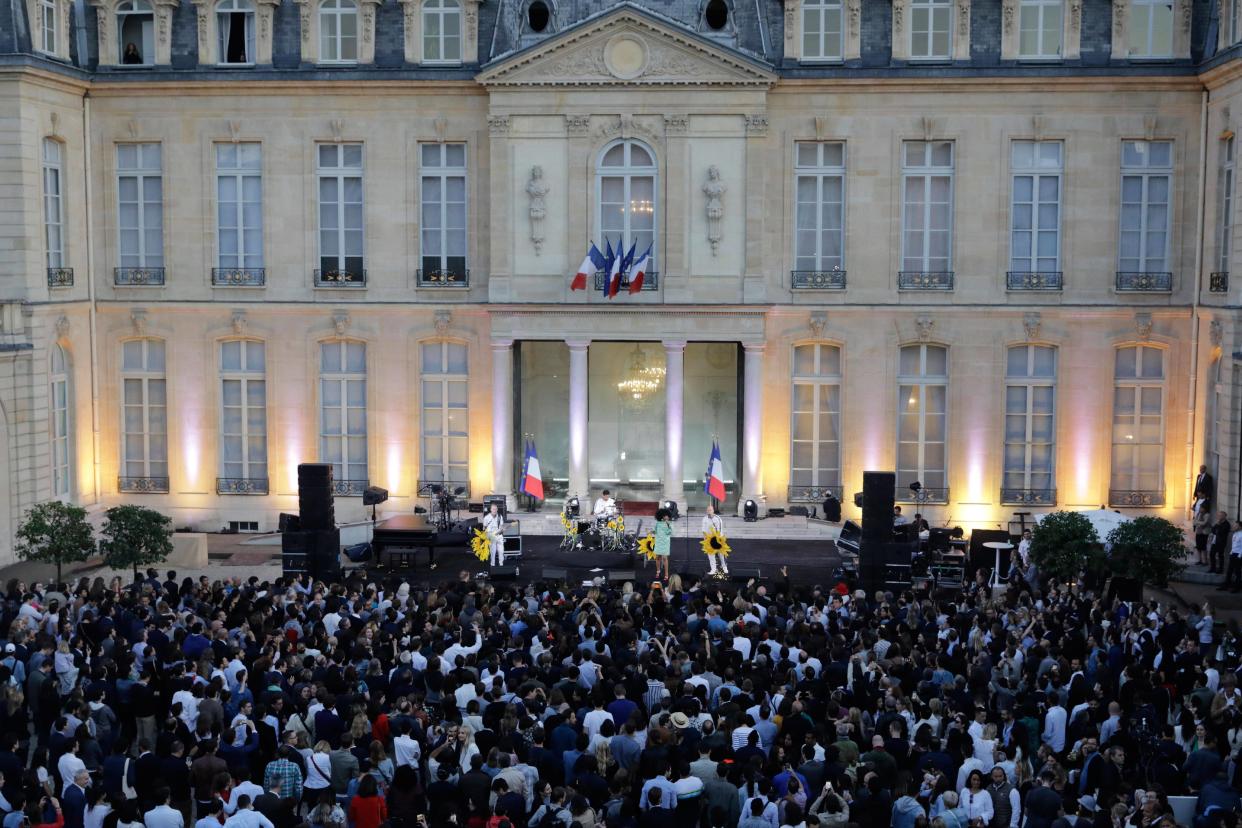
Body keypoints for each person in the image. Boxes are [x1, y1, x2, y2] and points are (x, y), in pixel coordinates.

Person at [700, 503, 728, 577]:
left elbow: (720, 530)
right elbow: (703, 530)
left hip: (718, 538)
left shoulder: (718, 519)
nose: (709, 511)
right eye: (708, 510)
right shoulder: (704, 519)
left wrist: (719, 540)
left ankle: (724, 566)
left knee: (721, 554)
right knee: (710, 555)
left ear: (713, 511)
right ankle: (713, 569)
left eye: (710, 510)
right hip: (709, 539)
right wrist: (705, 539)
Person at [482, 502, 505, 568]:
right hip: (491, 537)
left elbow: (501, 527)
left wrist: (501, 530)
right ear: (491, 510)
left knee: (501, 551)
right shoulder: (486, 518)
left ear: (497, 509)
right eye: (493, 509)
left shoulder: (500, 517)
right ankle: (492, 565)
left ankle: (501, 565)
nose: (495, 510)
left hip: (499, 536)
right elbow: (484, 528)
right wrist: (488, 535)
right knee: (493, 552)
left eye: (496, 509)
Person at [653, 508, 672, 583]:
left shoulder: (669, 523)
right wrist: (651, 531)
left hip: (665, 543)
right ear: (662, 516)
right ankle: (658, 571)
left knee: (664, 558)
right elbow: (655, 531)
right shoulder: (658, 523)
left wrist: (668, 525)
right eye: (665, 516)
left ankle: (666, 574)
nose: (666, 517)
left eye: (667, 516)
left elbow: (669, 532)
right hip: (658, 542)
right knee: (657, 557)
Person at [1210, 510, 1231, 575]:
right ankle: (1213, 568)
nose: (1219, 517)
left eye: (1221, 515)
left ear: (1224, 516)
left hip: (1221, 542)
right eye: (1218, 515)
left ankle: (1220, 569)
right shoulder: (1218, 523)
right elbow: (1213, 530)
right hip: (1215, 541)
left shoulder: (1227, 524)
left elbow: (1221, 532)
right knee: (1212, 554)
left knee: (1220, 556)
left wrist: (1218, 526)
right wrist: (1217, 525)